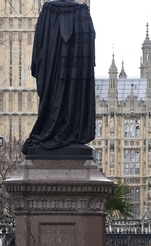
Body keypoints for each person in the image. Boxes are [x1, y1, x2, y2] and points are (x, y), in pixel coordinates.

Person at [23, 0, 96, 155]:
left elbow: (39, 46)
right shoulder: (82, 12)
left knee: (55, 94)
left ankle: (52, 127)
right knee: (71, 94)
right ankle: (70, 128)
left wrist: (39, 64)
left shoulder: (49, 11)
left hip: (52, 71)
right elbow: (88, 55)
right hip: (73, 75)